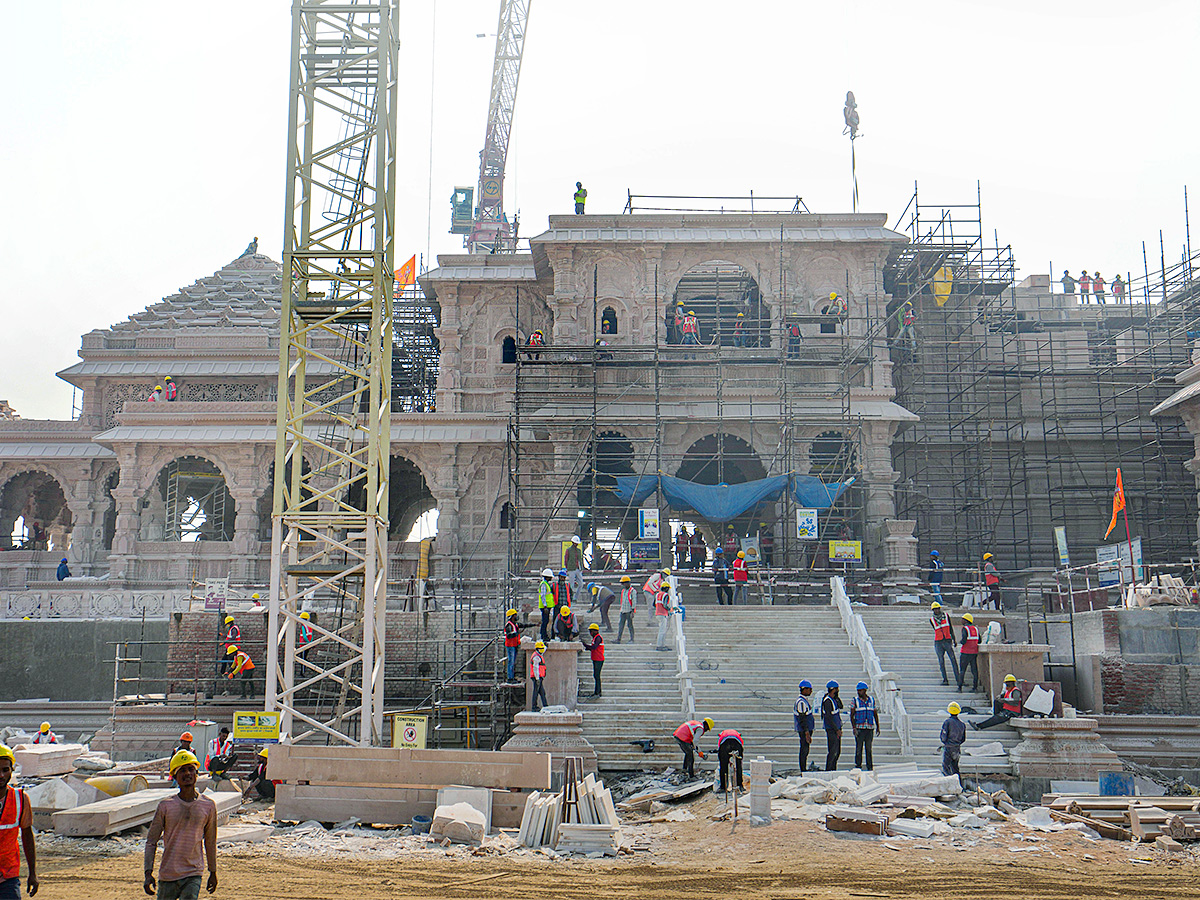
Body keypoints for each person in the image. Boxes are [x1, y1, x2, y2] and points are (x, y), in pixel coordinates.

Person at [145, 749, 217, 899]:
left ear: (197, 774)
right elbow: (151, 841)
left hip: (193, 873)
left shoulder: (208, 806)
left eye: (191, 769)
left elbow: (210, 841)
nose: (187, 774)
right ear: (175, 777)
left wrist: (213, 872)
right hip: (168, 875)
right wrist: (148, 872)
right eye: (182, 770)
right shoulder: (165, 806)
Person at [0, 744, 37, 898]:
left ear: (12, 770)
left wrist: (32, 873)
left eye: (5, 770)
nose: (1, 775)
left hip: (8, 876)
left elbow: (27, 836)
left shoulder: (20, 799)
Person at [849, 681, 880, 771]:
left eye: (860, 691)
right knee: (859, 748)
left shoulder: (871, 700)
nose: (859, 692)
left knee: (868, 749)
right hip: (860, 728)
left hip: (869, 728)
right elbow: (852, 715)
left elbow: (875, 713)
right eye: (858, 691)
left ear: (865, 690)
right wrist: (854, 728)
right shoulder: (855, 700)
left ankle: (870, 767)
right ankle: (858, 766)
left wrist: (878, 726)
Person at [930, 601, 960, 687]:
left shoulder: (946, 616)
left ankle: (958, 680)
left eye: (937, 609)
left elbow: (950, 628)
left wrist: (954, 639)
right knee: (941, 661)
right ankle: (945, 680)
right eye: (935, 609)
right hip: (938, 642)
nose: (936, 611)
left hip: (947, 640)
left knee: (953, 660)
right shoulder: (932, 619)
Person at [820, 681, 843, 771]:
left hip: (836, 728)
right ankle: (829, 769)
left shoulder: (834, 699)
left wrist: (837, 698)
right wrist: (836, 729)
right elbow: (828, 717)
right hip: (831, 729)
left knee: (837, 751)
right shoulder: (827, 701)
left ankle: (833, 768)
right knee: (833, 751)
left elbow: (841, 706)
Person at [793, 680, 815, 772]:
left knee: (805, 750)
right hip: (804, 730)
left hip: (806, 730)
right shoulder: (801, 702)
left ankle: (804, 768)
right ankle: (803, 769)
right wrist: (806, 733)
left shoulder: (804, 701)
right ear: (804, 689)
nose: (811, 691)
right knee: (804, 750)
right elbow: (802, 718)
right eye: (809, 689)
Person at [941, 702, 967, 780]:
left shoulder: (947, 722)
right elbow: (963, 739)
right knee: (955, 767)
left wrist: (945, 743)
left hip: (949, 747)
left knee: (946, 767)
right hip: (957, 748)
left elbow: (943, 736)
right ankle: (959, 785)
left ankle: (949, 783)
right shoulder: (962, 724)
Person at [957, 612, 980, 692]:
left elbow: (964, 639)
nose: (961, 620)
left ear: (966, 620)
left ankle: (959, 688)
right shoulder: (976, 629)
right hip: (974, 653)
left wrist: (960, 643)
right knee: (974, 670)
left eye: (963, 619)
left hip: (965, 652)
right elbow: (979, 640)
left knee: (962, 670)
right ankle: (975, 687)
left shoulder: (965, 628)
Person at [716, 728, 744, 794]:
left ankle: (723, 787)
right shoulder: (737, 734)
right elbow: (741, 743)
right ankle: (739, 785)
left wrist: (724, 757)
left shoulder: (722, 734)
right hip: (737, 743)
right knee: (738, 766)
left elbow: (719, 744)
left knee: (723, 766)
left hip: (725, 744)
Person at [582, 623, 604, 698]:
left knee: (597, 675)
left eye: (591, 631)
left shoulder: (598, 638)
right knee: (595, 675)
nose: (590, 633)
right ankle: (596, 692)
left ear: (595, 631)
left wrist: (585, 645)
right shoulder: (595, 638)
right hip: (595, 659)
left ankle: (598, 692)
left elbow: (594, 647)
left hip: (599, 659)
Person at [615, 575, 637, 644]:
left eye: (624, 583)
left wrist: (633, 611)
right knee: (621, 625)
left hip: (629, 611)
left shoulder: (632, 591)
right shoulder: (623, 591)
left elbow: (634, 601)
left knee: (630, 625)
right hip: (623, 610)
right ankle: (618, 639)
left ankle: (632, 639)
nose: (623, 585)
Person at [528, 640, 548, 711]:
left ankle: (545, 705)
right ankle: (534, 707)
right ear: (537, 649)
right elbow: (535, 668)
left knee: (542, 692)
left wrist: (545, 645)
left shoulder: (539, 653)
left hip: (539, 677)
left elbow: (544, 649)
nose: (542, 650)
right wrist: (537, 679)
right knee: (536, 692)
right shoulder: (536, 657)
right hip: (536, 677)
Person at [503, 609, 522, 682]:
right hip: (510, 646)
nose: (516, 616)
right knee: (511, 662)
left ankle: (512, 677)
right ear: (511, 616)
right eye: (515, 615)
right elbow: (508, 636)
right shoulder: (509, 625)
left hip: (515, 645)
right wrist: (517, 633)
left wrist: (534, 624)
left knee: (513, 662)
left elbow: (523, 625)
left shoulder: (515, 624)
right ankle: (510, 678)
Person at [537, 567, 554, 642]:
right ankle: (543, 635)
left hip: (546, 606)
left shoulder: (546, 584)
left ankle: (544, 635)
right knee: (545, 621)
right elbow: (543, 595)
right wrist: (545, 606)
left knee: (546, 621)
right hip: (545, 607)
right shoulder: (544, 584)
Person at [654, 583, 673, 651]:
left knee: (661, 630)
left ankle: (662, 644)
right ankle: (660, 645)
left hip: (657, 614)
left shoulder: (657, 594)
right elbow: (665, 605)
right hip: (663, 614)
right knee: (662, 630)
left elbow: (654, 604)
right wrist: (670, 610)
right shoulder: (665, 595)